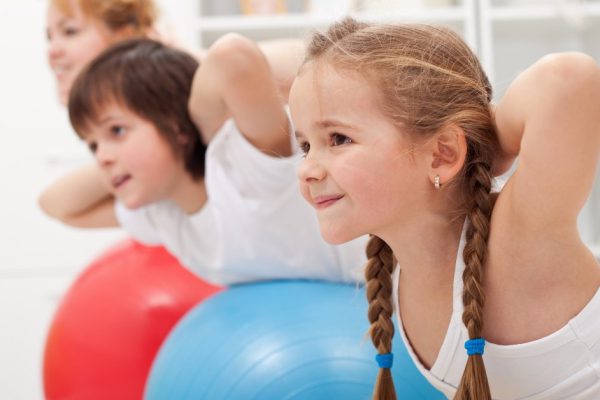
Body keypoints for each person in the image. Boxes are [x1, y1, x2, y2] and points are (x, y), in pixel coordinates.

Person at [289, 18, 600, 400]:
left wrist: (486, 147)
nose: (307, 169)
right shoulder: (395, 265)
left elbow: (567, 80)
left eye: (338, 138)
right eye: (305, 146)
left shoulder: (517, 243)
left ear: (443, 153)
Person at [39, 36, 367, 286]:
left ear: (178, 126)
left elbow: (233, 55)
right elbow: (56, 204)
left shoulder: (245, 167)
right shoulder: (163, 213)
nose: (102, 156)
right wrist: (123, 159)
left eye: (117, 130)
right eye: (92, 144)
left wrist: (191, 117)